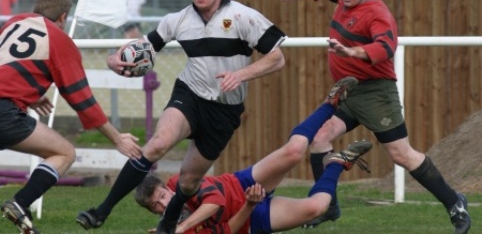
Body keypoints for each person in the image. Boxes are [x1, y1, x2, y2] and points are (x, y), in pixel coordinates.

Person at [76, 0, 287, 234]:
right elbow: (144, 46)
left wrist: (242, 74)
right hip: (190, 94)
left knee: (188, 182)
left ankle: (167, 224)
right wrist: (112, 59)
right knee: (157, 145)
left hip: (224, 111)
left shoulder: (242, 17)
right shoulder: (178, 20)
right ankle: (101, 211)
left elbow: (277, 58)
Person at [272, 0, 471, 234]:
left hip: (376, 93)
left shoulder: (376, 13)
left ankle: (455, 203)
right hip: (348, 91)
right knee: (319, 138)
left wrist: (351, 52)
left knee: (402, 154)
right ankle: (327, 206)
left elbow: (387, 46)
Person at [133, 80, 371, 234]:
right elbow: (228, 229)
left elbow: (215, 201)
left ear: (168, 186)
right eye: (157, 206)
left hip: (241, 183)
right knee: (316, 207)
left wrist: (180, 227)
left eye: (163, 196)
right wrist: (249, 204)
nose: (164, 204)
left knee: (294, 151)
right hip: (251, 218)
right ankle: (337, 164)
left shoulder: (180, 183)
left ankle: (331, 103)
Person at [0, 0, 143, 234]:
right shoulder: (59, 40)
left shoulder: (15, 21)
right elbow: (82, 101)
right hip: (4, 114)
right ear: (64, 17)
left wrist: (28, 97)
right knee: (64, 152)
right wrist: (117, 139)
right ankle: (20, 204)